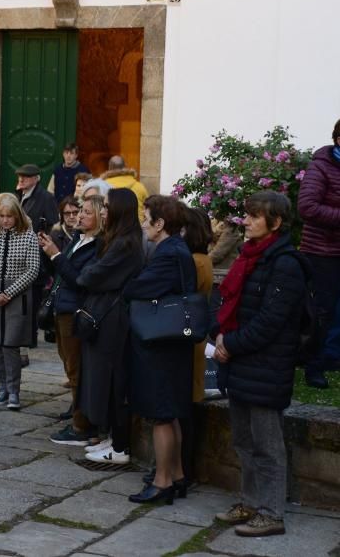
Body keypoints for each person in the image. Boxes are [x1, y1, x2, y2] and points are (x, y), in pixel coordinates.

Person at [213, 191, 306, 537]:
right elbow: (232, 305)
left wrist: (229, 345)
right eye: (246, 215)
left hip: (266, 366)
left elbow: (272, 321)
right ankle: (250, 502)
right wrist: (219, 336)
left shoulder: (286, 263)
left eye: (254, 216)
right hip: (242, 363)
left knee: (268, 445)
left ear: (276, 223)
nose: (246, 221)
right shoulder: (250, 256)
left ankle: (272, 512)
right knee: (244, 441)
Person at [122, 196, 197, 505]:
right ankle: (177, 475)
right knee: (170, 414)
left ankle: (162, 481)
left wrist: (132, 284)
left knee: (161, 415)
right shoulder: (176, 250)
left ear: (160, 223)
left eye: (146, 217)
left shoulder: (169, 253)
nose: (143, 224)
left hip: (161, 346)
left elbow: (136, 288)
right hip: (171, 343)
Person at [68, 189, 145, 464]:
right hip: (108, 315)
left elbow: (92, 275)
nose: (102, 211)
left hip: (114, 320)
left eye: (107, 207)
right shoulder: (117, 239)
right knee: (104, 381)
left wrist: (89, 275)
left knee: (114, 382)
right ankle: (111, 438)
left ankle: (120, 446)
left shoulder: (126, 244)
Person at [40, 194, 106, 446]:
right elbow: (59, 271)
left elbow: (79, 279)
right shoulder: (78, 239)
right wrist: (49, 253)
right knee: (69, 365)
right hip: (62, 306)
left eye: (86, 212)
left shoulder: (98, 245)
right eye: (80, 211)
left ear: (99, 217)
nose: (79, 216)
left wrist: (56, 255)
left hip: (76, 310)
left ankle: (82, 425)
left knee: (77, 368)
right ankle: (78, 414)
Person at [0, 193, 41, 410]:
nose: (5, 220)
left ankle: (14, 391)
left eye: (10, 216)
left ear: (17, 216)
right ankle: (1, 387)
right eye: (2, 216)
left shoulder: (28, 236)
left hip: (16, 297)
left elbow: (32, 269)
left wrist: (9, 292)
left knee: (11, 345)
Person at [298, 118, 340, 389]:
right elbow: (307, 207)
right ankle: (313, 366)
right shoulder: (320, 167)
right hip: (323, 251)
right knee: (322, 311)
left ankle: (332, 358)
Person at [181, 206, 214, 485]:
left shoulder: (196, 261)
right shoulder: (200, 258)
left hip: (189, 340)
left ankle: (185, 468)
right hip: (194, 337)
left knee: (186, 408)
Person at [16, 163, 56, 356]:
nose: (21, 179)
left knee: (33, 299)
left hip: (36, 255)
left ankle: (30, 336)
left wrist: (40, 242)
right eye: (20, 176)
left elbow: (51, 224)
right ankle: (23, 334)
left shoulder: (45, 198)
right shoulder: (18, 196)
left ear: (36, 178)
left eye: (25, 177)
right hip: (19, 255)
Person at [101, 156, 149, 222]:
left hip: (112, 227)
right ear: (125, 167)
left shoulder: (102, 186)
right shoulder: (139, 186)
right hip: (136, 227)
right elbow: (148, 209)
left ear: (109, 168)